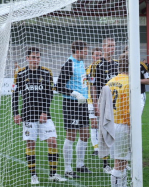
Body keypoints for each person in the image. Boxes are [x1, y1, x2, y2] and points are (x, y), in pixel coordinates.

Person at [12, 47, 67, 184]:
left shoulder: (46, 72)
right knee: (31, 144)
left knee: (53, 141)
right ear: (27, 58)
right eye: (33, 57)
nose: (35, 60)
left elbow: (49, 95)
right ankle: (33, 176)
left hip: (44, 115)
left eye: (37, 57)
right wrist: (15, 113)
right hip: (28, 115)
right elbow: (14, 95)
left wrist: (44, 111)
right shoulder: (20, 74)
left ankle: (53, 174)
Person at [57, 40, 92, 178]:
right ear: (77, 51)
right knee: (71, 136)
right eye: (84, 50)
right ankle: (68, 169)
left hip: (82, 104)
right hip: (72, 104)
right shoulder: (69, 64)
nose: (86, 52)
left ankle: (80, 164)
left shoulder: (81, 62)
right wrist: (75, 94)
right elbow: (59, 86)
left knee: (85, 134)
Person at [90, 37, 119, 174]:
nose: (111, 48)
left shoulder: (118, 64)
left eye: (113, 46)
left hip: (117, 104)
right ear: (103, 47)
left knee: (117, 131)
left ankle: (118, 161)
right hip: (103, 104)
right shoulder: (97, 65)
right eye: (109, 46)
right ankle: (105, 164)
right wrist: (95, 104)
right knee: (104, 132)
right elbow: (93, 86)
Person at [107, 52, 130, 187]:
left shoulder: (110, 81)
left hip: (112, 125)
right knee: (119, 163)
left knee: (123, 162)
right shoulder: (129, 83)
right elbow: (128, 109)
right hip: (123, 125)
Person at [86, 47, 102, 156]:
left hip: (104, 101)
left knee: (104, 124)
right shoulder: (88, 69)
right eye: (96, 55)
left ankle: (104, 146)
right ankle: (96, 147)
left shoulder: (104, 68)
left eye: (100, 55)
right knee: (94, 124)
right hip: (91, 101)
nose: (98, 57)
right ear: (92, 56)